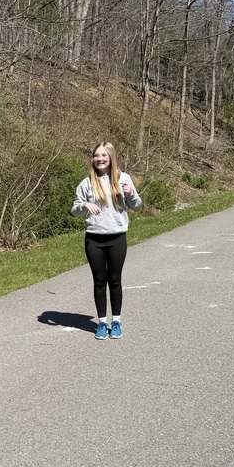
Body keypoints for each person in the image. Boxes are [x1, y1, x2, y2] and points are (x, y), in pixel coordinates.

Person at [71, 142, 142, 340]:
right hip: (94, 240)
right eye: (96, 155)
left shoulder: (123, 178)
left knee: (115, 280)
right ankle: (102, 323)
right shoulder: (87, 183)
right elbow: (74, 210)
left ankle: (116, 321)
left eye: (104, 155)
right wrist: (84, 204)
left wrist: (131, 194)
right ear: (92, 159)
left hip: (117, 237)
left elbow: (137, 206)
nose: (100, 159)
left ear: (111, 157)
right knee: (99, 281)